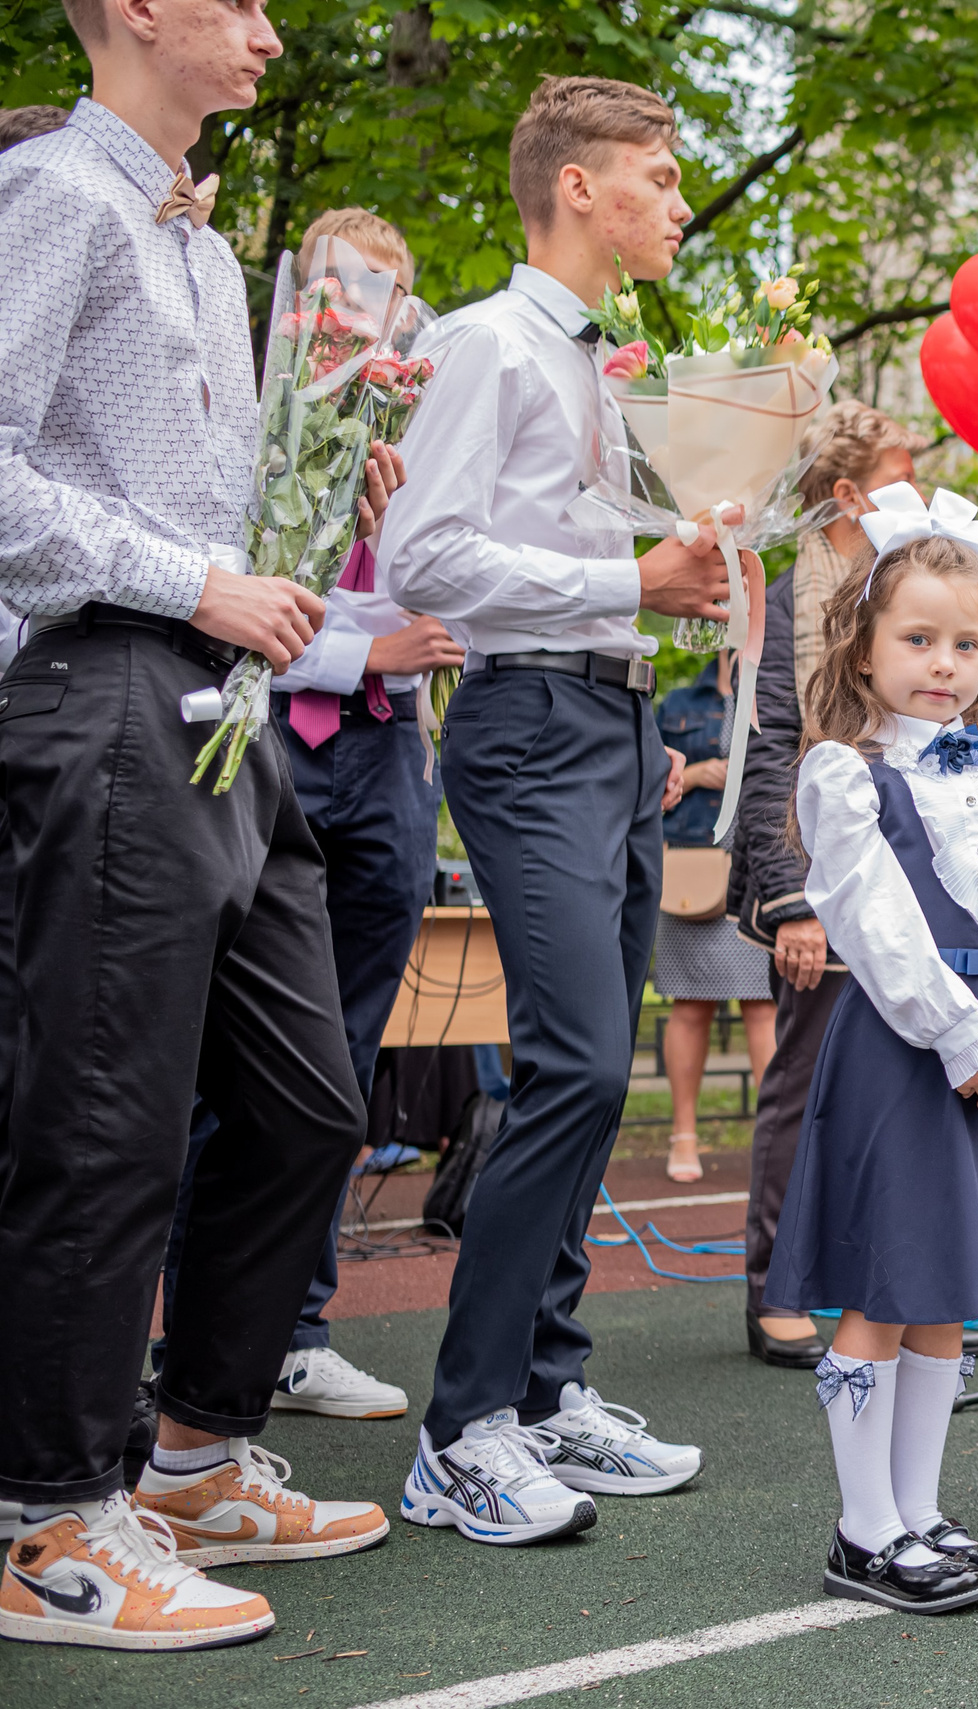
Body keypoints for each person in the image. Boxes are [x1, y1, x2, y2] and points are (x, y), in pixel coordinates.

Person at [0, 5, 383, 1651]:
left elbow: (210, 502)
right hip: (100, 685)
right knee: (104, 1122)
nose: (271, 27)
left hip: (222, 709)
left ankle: (202, 1445)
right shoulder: (59, 202)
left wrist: (334, 467)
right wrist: (194, 576)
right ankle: (46, 1518)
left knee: (309, 1095)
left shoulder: (212, 249)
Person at [378, 75, 731, 1543]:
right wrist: (626, 589)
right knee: (578, 1065)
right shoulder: (488, 345)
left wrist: (665, 623)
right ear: (577, 187)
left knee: (603, 1063)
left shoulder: (613, 362)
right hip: (523, 726)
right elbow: (424, 557)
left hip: (612, 719)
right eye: (654, 173)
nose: (675, 199)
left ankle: (547, 1384)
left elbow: (606, 557)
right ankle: (460, 1427)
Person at [158, 208, 450, 1426]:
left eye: (383, 290)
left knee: (340, 1058)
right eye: (339, 285)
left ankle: (297, 1326)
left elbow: (438, 586)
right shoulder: (242, 416)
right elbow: (235, 589)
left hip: (386, 754)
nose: (357, 308)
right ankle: (176, 1328)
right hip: (265, 733)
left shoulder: (418, 424)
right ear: (299, 302)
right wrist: (359, 646)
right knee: (221, 1056)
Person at [766, 508, 978, 1614]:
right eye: (918, 640)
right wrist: (960, 1035)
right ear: (864, 647)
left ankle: (919, 1509)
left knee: (947, 1287)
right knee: (886, 1283)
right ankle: (863, 1529)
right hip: (908, 1048)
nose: (944, 665)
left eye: (966, 645)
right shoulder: (846, 775)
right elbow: (878, 922)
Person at [732, 401, 926, 1366]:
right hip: (819, 874)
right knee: (805, 1079)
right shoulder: (789, 597)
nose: (921, 483)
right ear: (848, 491)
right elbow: (769, 751)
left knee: (890, 1083)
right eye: (904, 467)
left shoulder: (901, 595)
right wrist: (795, 901)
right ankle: (776, 1284)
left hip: (902, 873)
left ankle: (874, 1277)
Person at [655, 652, 777, 1182]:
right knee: (691, 1005)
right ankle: (683, 1136)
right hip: (692, 864)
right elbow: (646, 786)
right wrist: (699, 772)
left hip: (759, 863)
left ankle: (774, 1139)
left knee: (764, 1007)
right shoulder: (679, 703)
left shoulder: (777, 693)